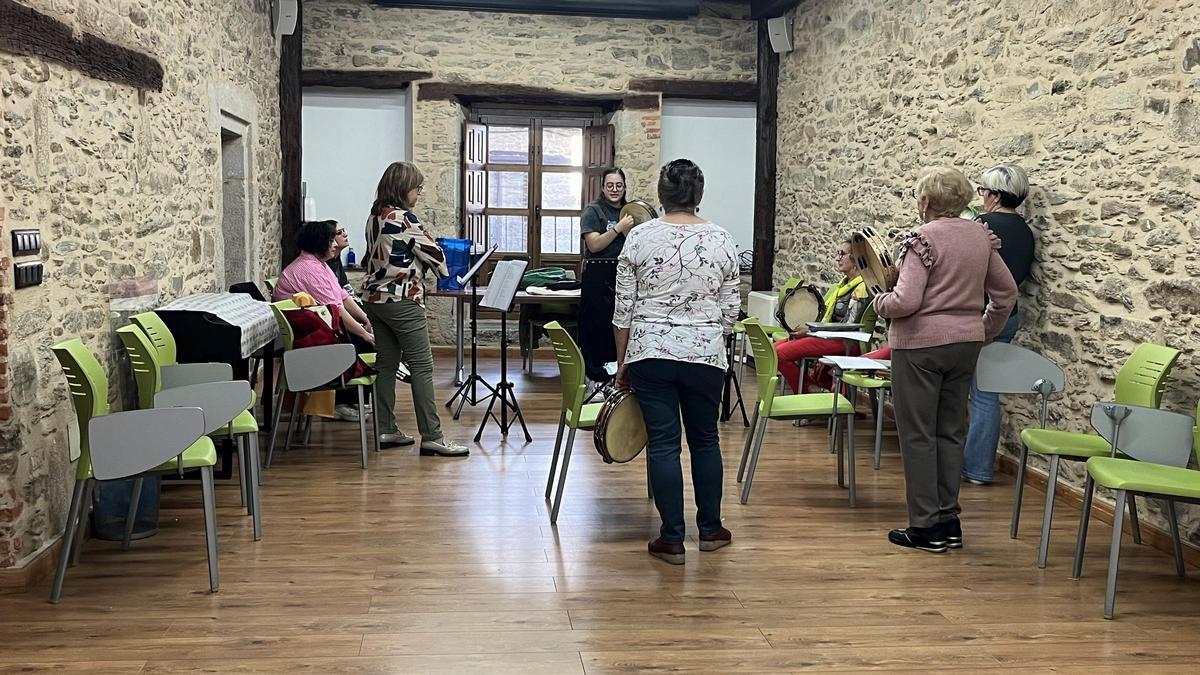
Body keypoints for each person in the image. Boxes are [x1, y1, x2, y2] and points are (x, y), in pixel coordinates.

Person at [873, 166, 1017, 554]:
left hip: (920, 347)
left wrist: (878, 301)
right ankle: (949, 520)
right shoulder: (980, 236)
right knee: (950, 431)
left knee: (918, 435)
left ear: (925, 202)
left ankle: (925, 527)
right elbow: (1006, 294)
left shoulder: (921, 238)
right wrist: (983, 329)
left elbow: (906, 301)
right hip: (965, 344)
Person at [613, 159, 740, 565]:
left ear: (661, 195)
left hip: (650, 351)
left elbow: (623, 310)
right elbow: (731, 310)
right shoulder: (722, 239)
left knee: (664, 444)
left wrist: (623, 361)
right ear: (698, 195)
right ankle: (710, 529)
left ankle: (671, 538)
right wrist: (704, 336)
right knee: (705, 440)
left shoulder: (638, 237)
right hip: (705, 353)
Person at [361, 161, 468, 457]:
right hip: (402, 301)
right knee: (422, 367)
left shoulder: (375, 217)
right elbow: (440, 260)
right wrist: (428, 241)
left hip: (376, 301)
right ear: (403, 188)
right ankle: (433, 436)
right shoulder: (404, 218)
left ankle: (386, 428)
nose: (419, 194)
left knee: (386, 365)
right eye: (417, 188)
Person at [962, 164, 1036, 485]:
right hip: (1010, 315)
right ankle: (977, 468)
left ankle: (970, 465)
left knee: (968, 394)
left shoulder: (981, 226)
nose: (981, 198)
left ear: (993, 195)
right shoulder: (1026, 230)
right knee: (986, 392)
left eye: (983, 191)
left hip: (979, 314)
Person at [273, 220, 376, 422]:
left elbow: (342, 297)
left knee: (368, 339)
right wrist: (365, 333)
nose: (335, 244)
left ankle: (355, 399)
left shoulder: (318, 264)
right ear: (319, 243)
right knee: (365, 344)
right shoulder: (308, 269)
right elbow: (336, 310)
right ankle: (343, 402)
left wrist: (366, 319)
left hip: (316, 331)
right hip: (309, 340)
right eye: (331, 240)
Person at [774, 235, 877, 394]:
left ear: (856, 259)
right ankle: (813, 392)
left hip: (847, 342)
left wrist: (810, 332)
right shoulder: (842, 285)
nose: (837, 258)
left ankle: (809, 389)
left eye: (841, 254)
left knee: (779, 353)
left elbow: (848, 328)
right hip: (829, 337)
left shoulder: (861, 288)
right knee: (774, 348)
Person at [578, 168, 636, 384]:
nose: (614, 189)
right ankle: (597, 379)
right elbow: (594, 245)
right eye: (610, 185)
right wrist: (619, 228)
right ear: (602, 187)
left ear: (624, 187)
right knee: (597, 329)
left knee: (622, 328)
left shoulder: (631, 211)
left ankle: (620, 379)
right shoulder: (593, 211)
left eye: (618, 185)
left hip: (625, 275)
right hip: (598, 278)